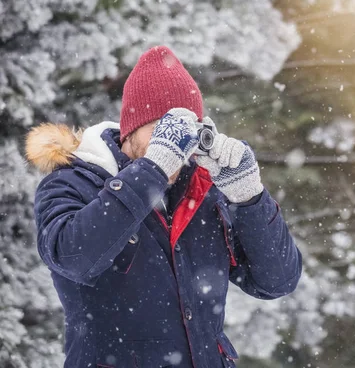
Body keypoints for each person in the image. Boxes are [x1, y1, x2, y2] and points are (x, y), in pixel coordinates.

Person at [25, 46, 302, 368]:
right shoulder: (73, 182)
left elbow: (276, 282)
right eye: (162, 131)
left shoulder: (205, 191)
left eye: (184, 133)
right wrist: (153, 169)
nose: (174, 146)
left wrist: (250, 197)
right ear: (130, 129)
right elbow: (71, 256)